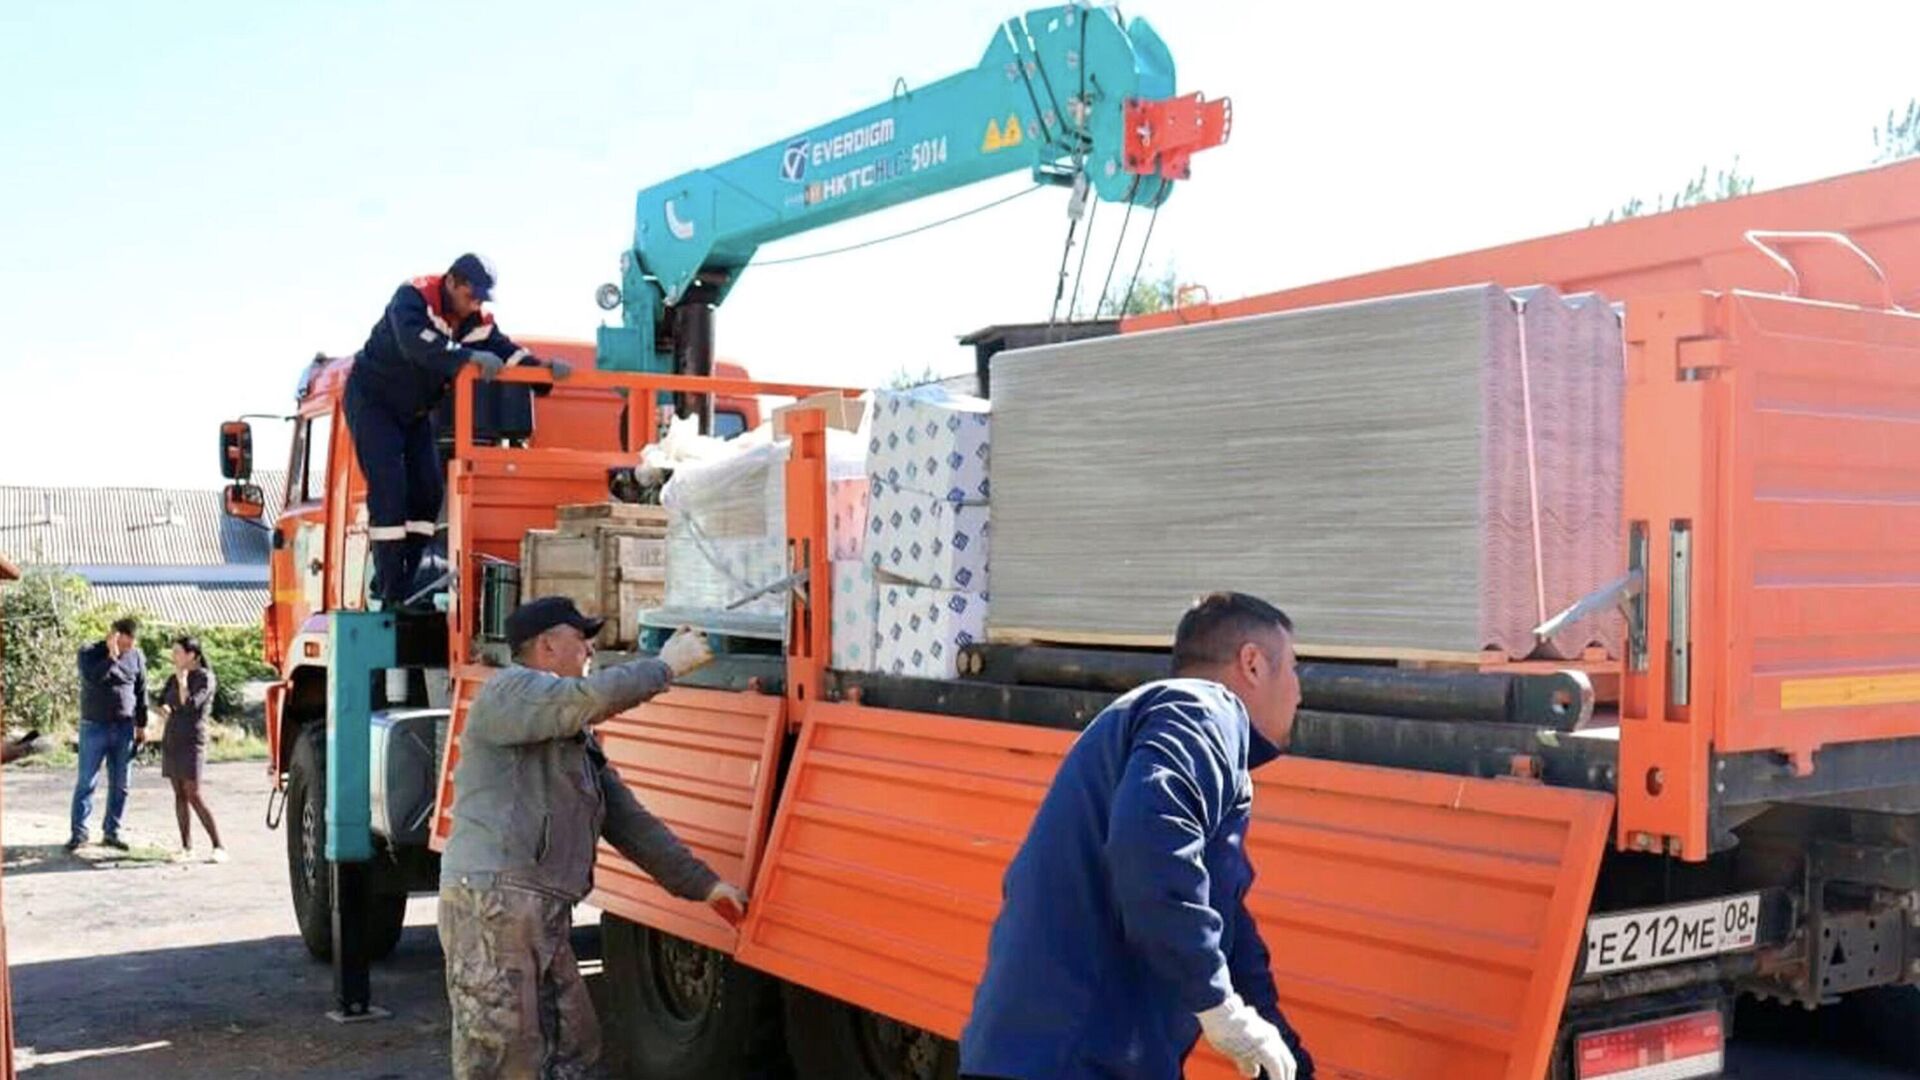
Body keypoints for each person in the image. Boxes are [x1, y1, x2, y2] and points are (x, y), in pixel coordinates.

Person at [960, 592, 1315, 1080]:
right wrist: (1216, 1005)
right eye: (1294, 669)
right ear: (1252, 663)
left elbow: (1225, 926)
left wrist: (1287, 1055)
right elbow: (1150, 845)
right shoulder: (1201, 710)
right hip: (1071, 1062)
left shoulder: (1187, 736)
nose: (1299, 692)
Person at [439, 596, 749, 1079]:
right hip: (492, 907)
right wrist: (663, 668)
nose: (589, 648)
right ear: (545, 646)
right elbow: (582, 700)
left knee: (573, 1048)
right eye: (579, 637)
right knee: (502, 1061)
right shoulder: (510, 692)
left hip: (539, 910)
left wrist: (705, 886)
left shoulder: (574, 737)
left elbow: (629, 822)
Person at [344, 254, 570, 612]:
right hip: (375, 403)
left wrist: (541, 372)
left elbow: (504, 350)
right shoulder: (413, 298)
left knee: (428, 493)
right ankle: (390, 589)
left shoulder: (473, 321)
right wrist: (465, 357)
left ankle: (403, 584)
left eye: (481, 298)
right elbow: (416, 344)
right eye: (471, 295)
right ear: (451, 282)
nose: (476, 304)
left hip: (416, 412)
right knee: (389, 488)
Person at [69, 616, 146, 853]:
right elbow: (93, 677)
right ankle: (79, 833)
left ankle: (112, 831)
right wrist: (111, 657)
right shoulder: (89, 652)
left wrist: (141, 725)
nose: (127, 649)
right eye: (123, 644)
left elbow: (141, 690)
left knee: (121, 784)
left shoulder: (137, 656)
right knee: (86, 782)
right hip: (94, 726)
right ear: (113, 634)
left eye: (130, 645)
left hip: (124, 728)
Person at [155, 636, 225, 862]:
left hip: (192, 739)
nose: (174, 656)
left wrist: (183, 682)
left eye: (177, 652)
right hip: (173, 737)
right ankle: (186, 846)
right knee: (178, 793)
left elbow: (191, 704)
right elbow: (163, 700)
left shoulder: (204, 678)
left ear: (191, 655)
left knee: (193, 793)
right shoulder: (172, 677)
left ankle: (218, 845)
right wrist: (165, 708)